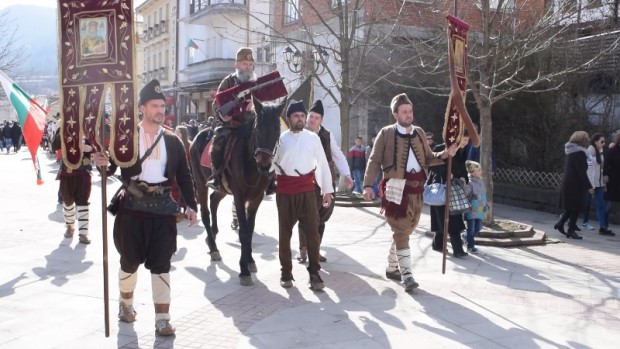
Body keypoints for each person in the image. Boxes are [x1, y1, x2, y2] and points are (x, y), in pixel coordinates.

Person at [92, 79, 198, 336]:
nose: (160, 110)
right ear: (142, 108)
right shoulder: (125, 138)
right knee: (129, 260)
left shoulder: (173, 140)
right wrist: (101, 162)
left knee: (162, 263)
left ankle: (163, 318)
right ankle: (126, 305)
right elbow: (112, 168)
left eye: (162, 105)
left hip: (163, 209)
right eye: (155, 105)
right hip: (132, 208)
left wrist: (191, 206)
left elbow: (185, 176)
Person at [362, 93, 453, 292]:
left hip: (417, 190)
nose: (408, 114)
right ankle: (408, 275)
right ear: (395, 114)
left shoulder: (419, 132)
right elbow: (374, 160)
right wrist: (368, 185)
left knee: (407, 230)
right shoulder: (386, 133)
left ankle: (392, 267)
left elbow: (429, 158)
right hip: (395, 189)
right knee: (401, 230)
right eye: (404, 112)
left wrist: (444, 154)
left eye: (410, 111)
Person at [271, 100, 334, 291]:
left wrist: (327, 190)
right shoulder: (281, 139)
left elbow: (322, 163)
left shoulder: (313, 138)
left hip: (307, 191)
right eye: (295, 115)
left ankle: (314, 273)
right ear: (289, 118)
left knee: (312, 233)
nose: (300, 119)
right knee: (285, 233)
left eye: (302, 115)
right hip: (285, 191)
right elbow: (272, 164)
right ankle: (286, 272)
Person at [296, 100, 353, 263]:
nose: (312, 120)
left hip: (326, 181)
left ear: (321, 120)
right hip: (306, 181)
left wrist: (347, 174)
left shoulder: (327, 135)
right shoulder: (299, 134)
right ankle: (303, 250)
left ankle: (315, 249)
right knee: (306, 215)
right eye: (310, 116)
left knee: (322, 216)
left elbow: (338, 154)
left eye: (316, 118)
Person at [208, 47, 257, 191]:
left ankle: (270, 178)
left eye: (250, 64)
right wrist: (222, 115)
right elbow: (216, 103)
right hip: (231, 125)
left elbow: (264, 101)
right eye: (244, 64)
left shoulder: (256, 83)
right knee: (218, 143)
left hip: (251, 124)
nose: (248, 67)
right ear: (236, 65)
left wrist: (254, 103)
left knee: (267, 141)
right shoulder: (228, 82)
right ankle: (216, 177)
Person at [427, 128, 471, 258]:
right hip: (441, 189)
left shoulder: (462, 151)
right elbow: (432, 165)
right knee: (445, 219)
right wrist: (446, 173)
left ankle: (438, 244)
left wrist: (464, 177)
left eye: (467, 140)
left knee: (452, 217)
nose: (466, 143)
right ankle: (457, 249)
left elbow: (463, 168)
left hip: (455, 190)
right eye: (464, 140)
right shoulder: (441, 148)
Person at [52, 129, 93, 244]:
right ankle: (70, 226)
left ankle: (83, 233)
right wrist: (60, 133)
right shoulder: (63, 128)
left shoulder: (88, 128)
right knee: (67, 201)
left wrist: (90, 149)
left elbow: (98, 146)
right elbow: (54, 146)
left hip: (83, 172)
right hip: (67, 172)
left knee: (83, 202)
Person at [554, 131, 593, 240]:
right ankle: (570, 230)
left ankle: (561, 223)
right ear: (583, 140)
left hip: (570, 183)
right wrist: (589, 187)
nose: (588, 140)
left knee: (572, 208)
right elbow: (581, 172)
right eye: (587, 138)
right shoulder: (580, 153)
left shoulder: (572, 152)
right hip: (574, 184)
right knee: (575, 208)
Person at [584, 133, 614, 236]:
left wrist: (604, 183)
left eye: (604, 141)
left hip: (599, 182)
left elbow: (601, 168)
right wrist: (591, 185)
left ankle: (603, 227)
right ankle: (571, 220)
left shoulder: (600, 151)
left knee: (600, 205)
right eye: (602, 141)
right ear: (595, 141)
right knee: (585, 202)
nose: (604, 143)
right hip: (592, 182)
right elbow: (590, 170)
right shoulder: (590, 150)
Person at [463, 160, 488, 253]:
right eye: (479, 170)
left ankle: (465, 236)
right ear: (473, 172)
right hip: (472, 209)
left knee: (478, 227)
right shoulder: (470, 184)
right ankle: (470, 245)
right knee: (471, 228)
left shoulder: (481, 182)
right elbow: (465, 195)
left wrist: (486, 206)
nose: (481, 171)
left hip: (480, 208)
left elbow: (484, 195)